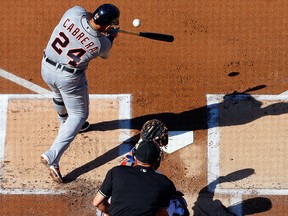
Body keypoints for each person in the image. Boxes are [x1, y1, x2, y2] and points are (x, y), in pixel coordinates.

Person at [40, 4, 120, 183]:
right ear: (107, 26)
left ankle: (64, 122)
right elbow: (105, 51)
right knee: (79, 115)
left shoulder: (73, 13)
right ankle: (52, 155)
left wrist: (104, 28)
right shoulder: (101, 44)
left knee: (58, 94)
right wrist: (111, 36)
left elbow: (87, 16)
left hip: (46, 67)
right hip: (68, 78)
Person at [93, 140, 176, 216]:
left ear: (135, 157)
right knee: (176, 203)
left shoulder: (116, 172)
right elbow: (161, 213)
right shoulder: (166, 183)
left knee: (110, 199)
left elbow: (97, 202)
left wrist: (113, 211)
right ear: (157, 160)